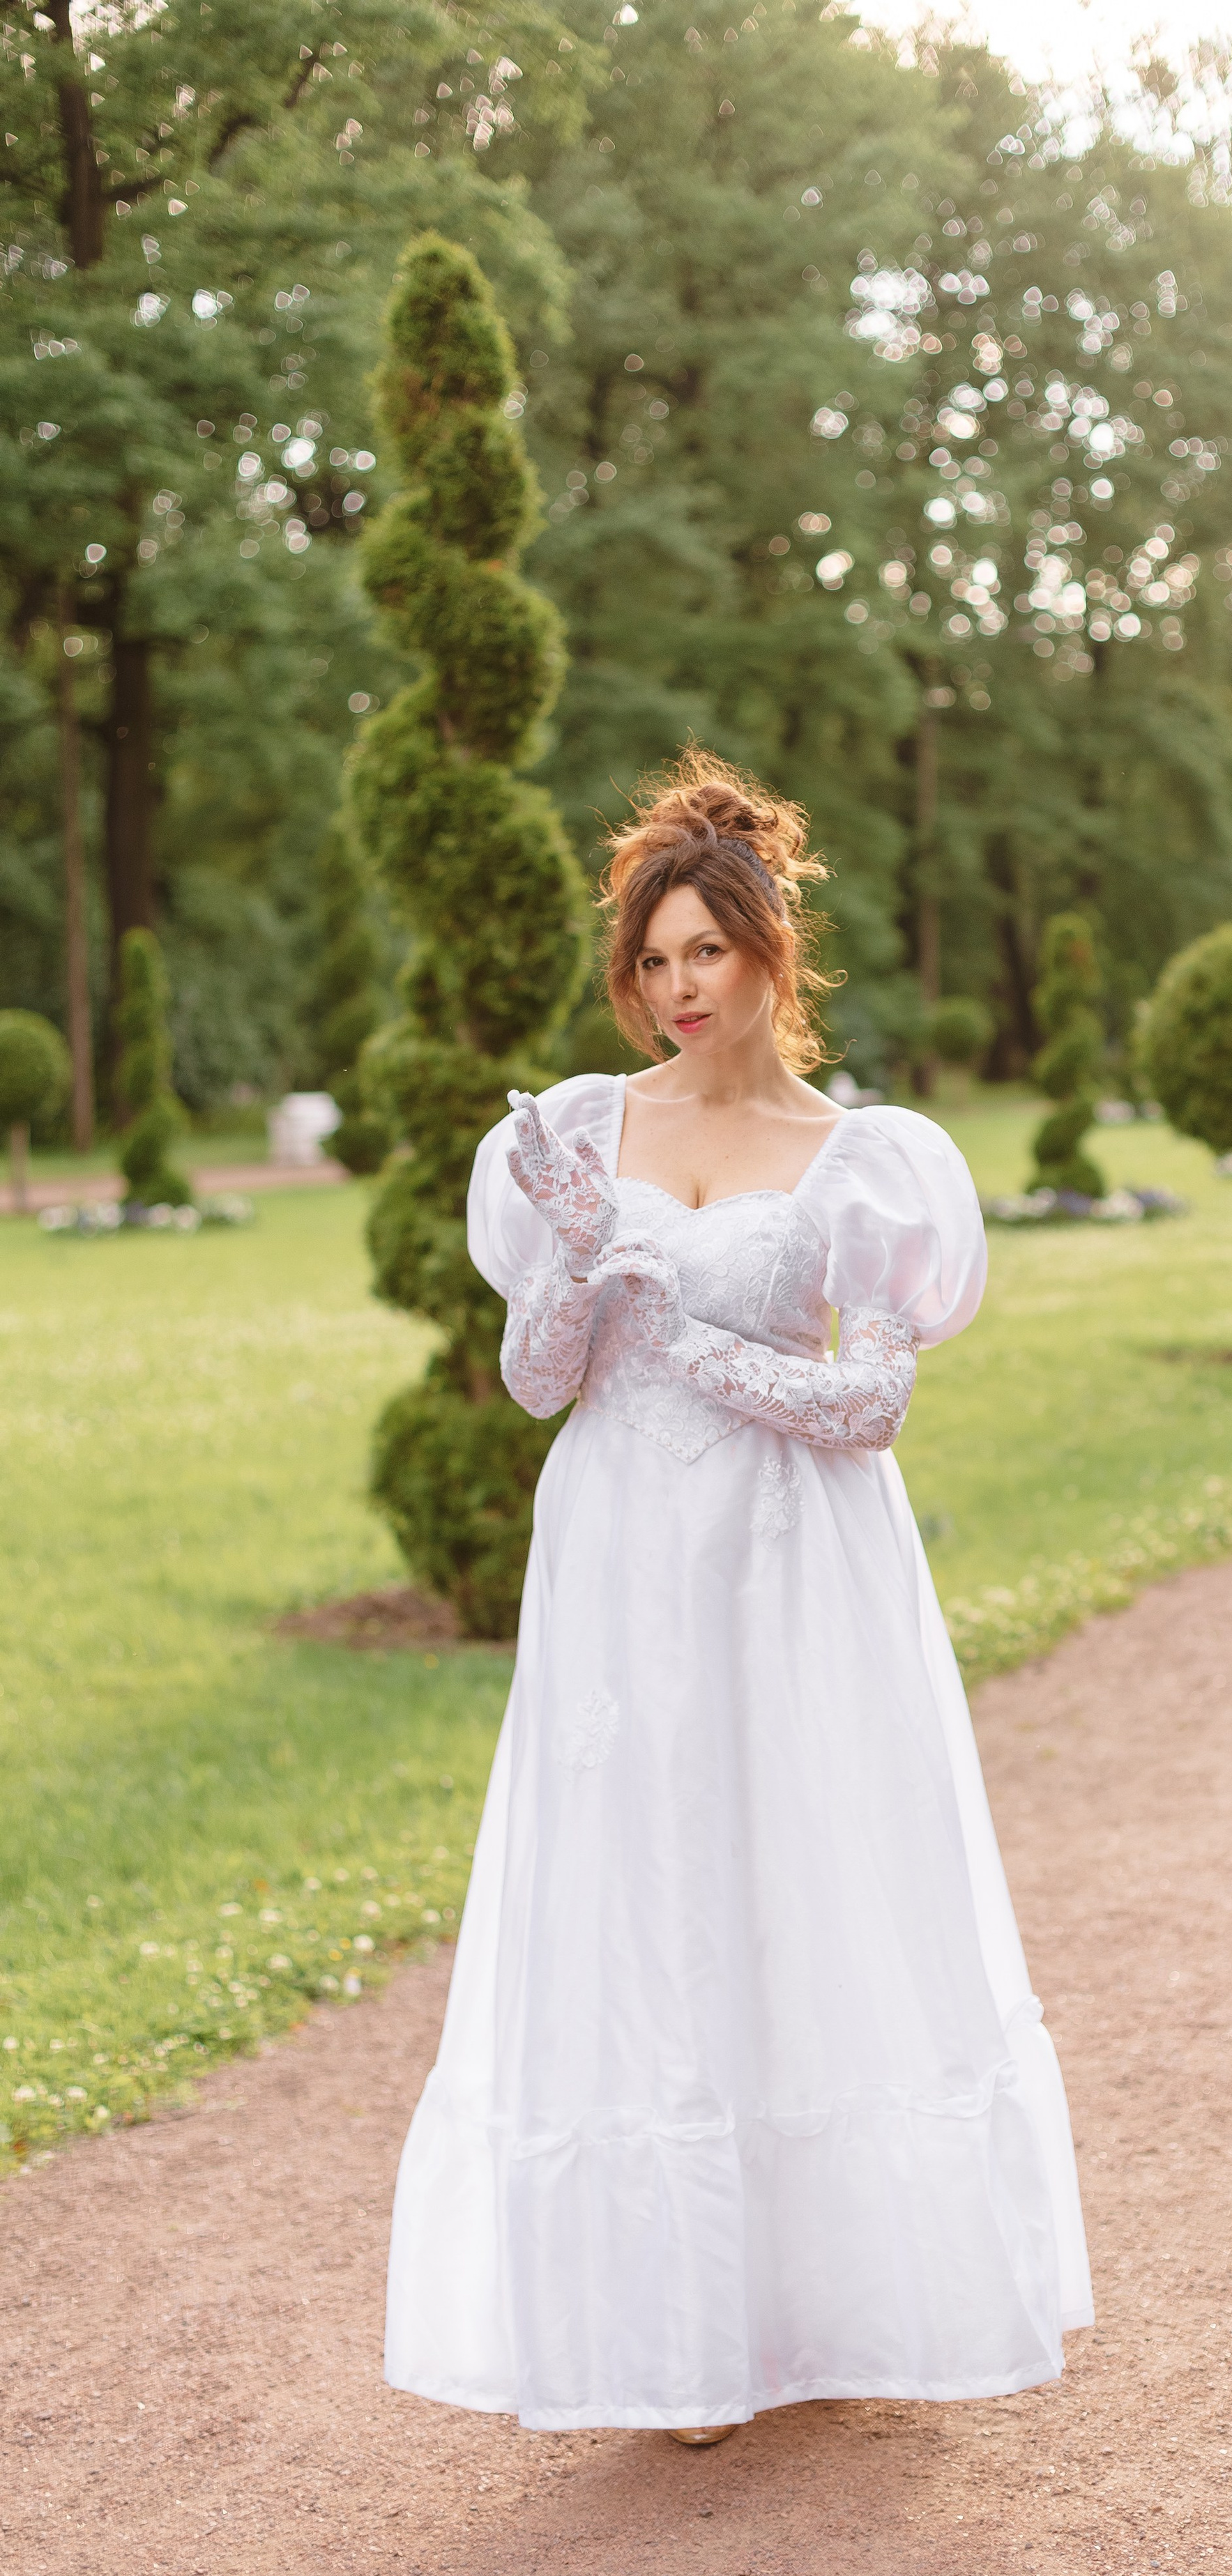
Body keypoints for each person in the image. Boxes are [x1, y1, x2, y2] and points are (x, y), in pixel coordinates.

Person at [384, 751, 1093, 2446]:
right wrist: (572, 1250)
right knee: (643, 1902)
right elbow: (543, 1379)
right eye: (650, 963)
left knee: (799, 1880)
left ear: (771, 954)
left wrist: (681, 1322)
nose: (672, 990)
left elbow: (866, 1406)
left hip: (796, 1574)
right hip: (618, 1565)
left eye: (703, 953)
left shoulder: (865, 1159)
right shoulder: (572, 1133)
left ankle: (833, 2297)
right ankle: (669, 2330)